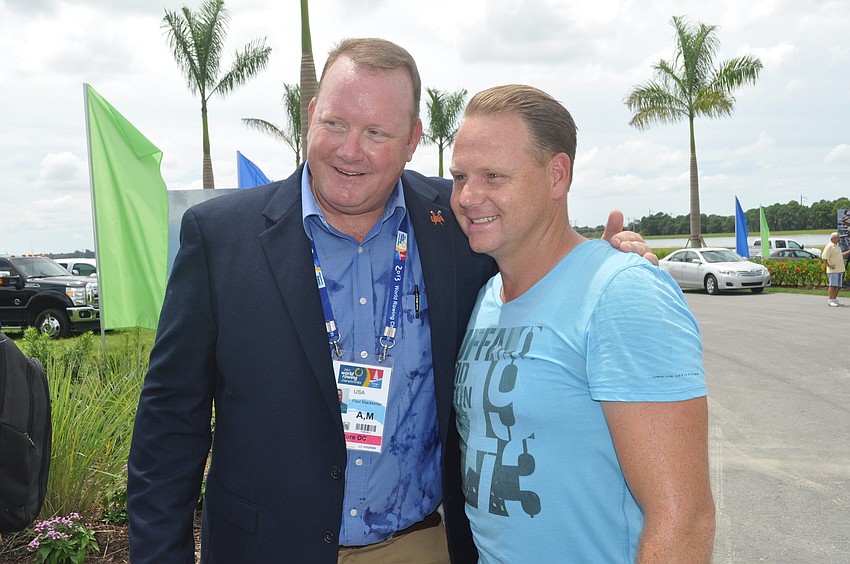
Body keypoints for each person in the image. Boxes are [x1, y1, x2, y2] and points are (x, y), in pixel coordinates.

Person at [126, 39, 653, 563]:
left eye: (376, 132)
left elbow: (541, 256)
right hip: (264, 548)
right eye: (335, 123)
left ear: (413, 140)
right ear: (310, 115)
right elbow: (170, 425)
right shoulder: (221, 239)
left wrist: (604, 263)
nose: (349, 150)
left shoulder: (461, 226)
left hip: (418, 545)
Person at [449, 84, 716, 563]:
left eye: (493, 175)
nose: (469, 196)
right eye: (459, 176)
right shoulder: (488, 297)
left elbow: (684, 516)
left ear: (557, 175)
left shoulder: (621, 293)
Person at [821, 232, 849, 307]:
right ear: (833, 238)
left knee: (837, 285)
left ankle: (834, 299)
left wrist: (848, 252)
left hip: (839, 269)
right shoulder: (829, 246)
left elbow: (840, 255)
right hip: (833, 270)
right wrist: (829, 266)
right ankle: (830, 300)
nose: (839, 239)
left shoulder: (836, 246)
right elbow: (824, 258)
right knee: (833, 285)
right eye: (837, 238)